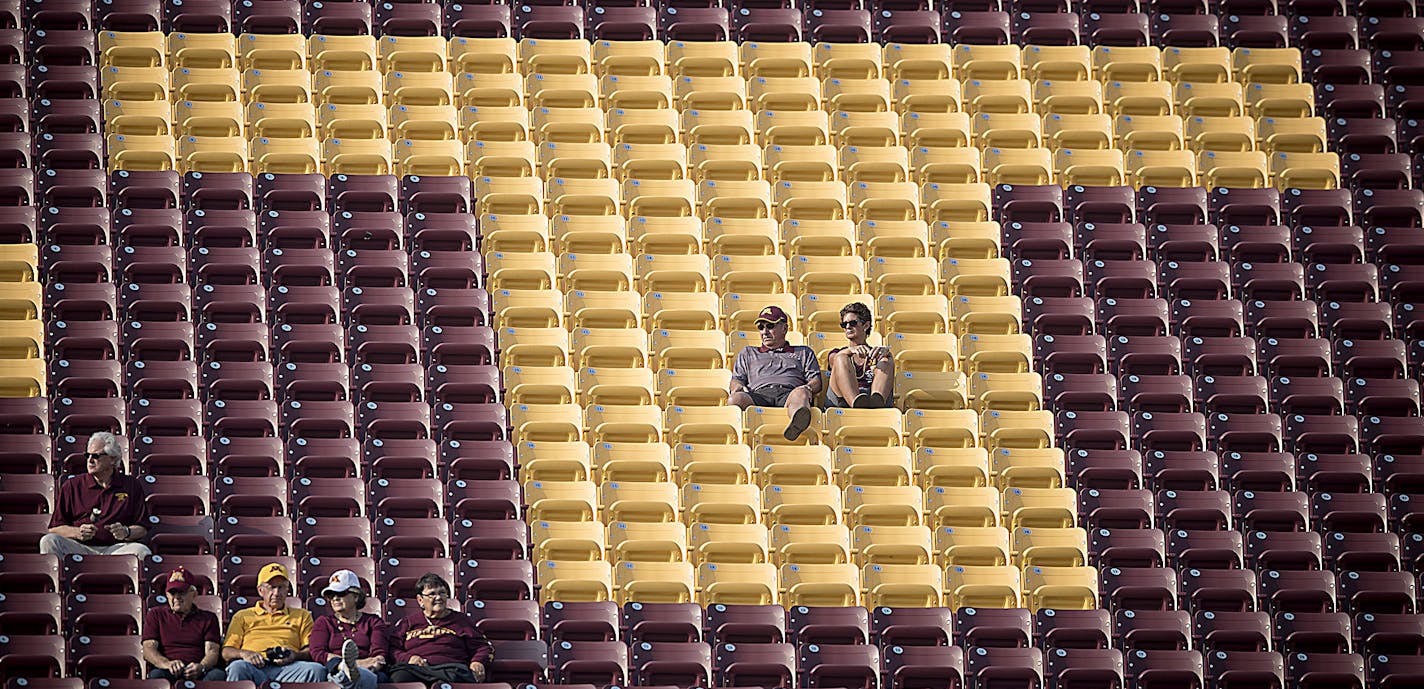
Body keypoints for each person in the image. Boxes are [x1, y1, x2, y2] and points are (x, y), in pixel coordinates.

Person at [41, 431, 151, 557]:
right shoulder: (72, 485)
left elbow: (142, 528)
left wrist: (126, 532)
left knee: (141, 551)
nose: (90, 460)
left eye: (96, 456)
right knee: (48, 541)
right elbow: (55, 528)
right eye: (87, 455)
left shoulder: (131, 485)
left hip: (116, 548)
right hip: (79, 547)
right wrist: (77, 532)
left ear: (112, 459)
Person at [728, 305, 823, 441]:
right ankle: (738, 441)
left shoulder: (803, 352)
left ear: (784, 328)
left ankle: (796, 425)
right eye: (761, 327)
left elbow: (816, 381)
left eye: (770, 326)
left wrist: (807, 388)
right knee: (734, 399)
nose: (765, 332)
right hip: (758, 395)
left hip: (789, 394)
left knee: (801, 393)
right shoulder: (748, 352)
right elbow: (736, 379)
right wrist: (736, 386)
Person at [221, 563, 327, 683]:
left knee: (316, 670)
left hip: (289, 668)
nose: (276, 593)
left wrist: (294, 655)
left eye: (281, 587)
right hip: (254, 666)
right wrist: (245, 654)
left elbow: (310, 650)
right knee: (237, 668)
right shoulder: (243, 616)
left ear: (287, 590)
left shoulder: (302, 615)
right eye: (271, 587)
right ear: (261, 591)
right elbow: (226, 652)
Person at [386, 572, 492, 686]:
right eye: (432, 594)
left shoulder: (462, 620)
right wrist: (409, 658)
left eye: (442, 593)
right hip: (416, 670)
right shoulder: (408, 622)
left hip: (450, 668)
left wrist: (477, 661)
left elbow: (482, 646)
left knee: (456, 676)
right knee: (399, 676)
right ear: (420, 600)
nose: (438, 598)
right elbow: (393, 649)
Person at [141, 567, 225, 681]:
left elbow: (212, 651)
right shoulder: (156, 615)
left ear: (194, 594)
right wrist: (167, 664)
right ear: (166, 595)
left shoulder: (208, 618)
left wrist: (201, 667)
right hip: (167, 669)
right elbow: (148, 650)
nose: (176, 597)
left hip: (198, 669)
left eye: (181, 592)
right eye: (172, 592)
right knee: (157, 676)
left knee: (217, 676)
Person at [310, 570, 389, 689]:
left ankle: (352, 673)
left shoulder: (373, 622)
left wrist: (369, 665)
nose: (335, 598)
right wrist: (348, 664)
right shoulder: (324, 622)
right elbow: (318, 653)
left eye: (340, 593)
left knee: (363, 676)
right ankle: (348, 671)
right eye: (331, 595)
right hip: (336, 669)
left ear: (356, 596)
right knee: (342, 676)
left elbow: (379, 654)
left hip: (369, 671)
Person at [825, 302, 895, 409]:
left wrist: (886, 353)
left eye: (853, 323)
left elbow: (886, 359)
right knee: (840, 358)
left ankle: (877, 399)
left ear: (866, 325)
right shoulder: (839, 353)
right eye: (844, 324)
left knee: (887, 359)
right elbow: (833, 360)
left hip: (869, 396)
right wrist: (850, 350)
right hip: (842, 400)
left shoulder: (875, 354)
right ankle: (856, 403)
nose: (848, 327)